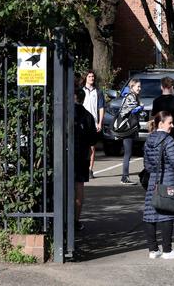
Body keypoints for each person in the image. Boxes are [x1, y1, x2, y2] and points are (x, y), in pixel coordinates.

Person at [143, 111, 174, 259]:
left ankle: (153, 250)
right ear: (161, 124)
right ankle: (167, 250)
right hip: (168, 179)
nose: (172, 126)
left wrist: (154, 171)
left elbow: (146, 164)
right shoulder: (169, 140)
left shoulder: (149, 139)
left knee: (150, 214)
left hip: (153, 180)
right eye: (170, 123)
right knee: (167, 214)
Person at [74, 89, 97, 231]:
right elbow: (93, 140)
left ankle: (64, 219)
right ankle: (76, 219)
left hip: (67, 154)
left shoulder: (66, 113)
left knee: (65, 186)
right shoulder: (88, 116)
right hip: (82, 155)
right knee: (79, 187)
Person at [152, 77, 174, 152]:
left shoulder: (156, 101)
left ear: (161, 87)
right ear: (172, 87)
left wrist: (152, 132)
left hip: (161, 133)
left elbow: (154, 118)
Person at [119, 78, 143, 185]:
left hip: (131, 128)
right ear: (132, 87)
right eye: (138, 86)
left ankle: (125, 176)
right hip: (127, 128)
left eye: (140, 86)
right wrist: (140, 107)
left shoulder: (133, 96)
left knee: (129, 152)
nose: (139, 88)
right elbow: (131, 110)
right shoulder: (130, 97)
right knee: (127, 153)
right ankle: (124, 177)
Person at [82, 70, 104, 180]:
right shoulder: (81, 91)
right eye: (89, 76)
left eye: (93, 76)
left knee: (92, 147)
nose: (91, 78)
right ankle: (82, 168)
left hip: (93, 123)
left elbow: (101, 108)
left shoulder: (98, 92)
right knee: (82, 147)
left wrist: (100, 122)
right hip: (82, 123)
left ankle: (90, 169)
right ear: (86, 78)